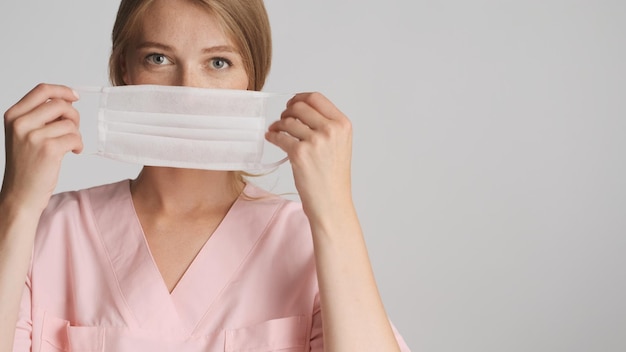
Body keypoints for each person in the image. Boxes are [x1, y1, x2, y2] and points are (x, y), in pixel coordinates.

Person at [0, 0, 410, 350]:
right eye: (158, 59)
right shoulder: (45, 233)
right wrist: (16, 203)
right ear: (123, 69)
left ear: (252, 79)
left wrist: (335, 209)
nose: (188, 91)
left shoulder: (308, 240)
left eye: (218, 62)